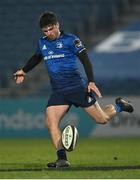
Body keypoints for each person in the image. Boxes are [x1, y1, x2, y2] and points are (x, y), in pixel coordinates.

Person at [14, 11, 134, 168]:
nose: (48, 33)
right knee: (51, 123)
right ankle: (62, 159)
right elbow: (37, 57)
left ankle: (119, 105)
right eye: (45, 31)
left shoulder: (71, 40)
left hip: (77, 88)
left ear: (57, 25)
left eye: (51, 29)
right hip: (59, 91)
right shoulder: (42, 43)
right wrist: (24, 70)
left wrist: (91, 81)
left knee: (102, 119)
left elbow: (85, 60)